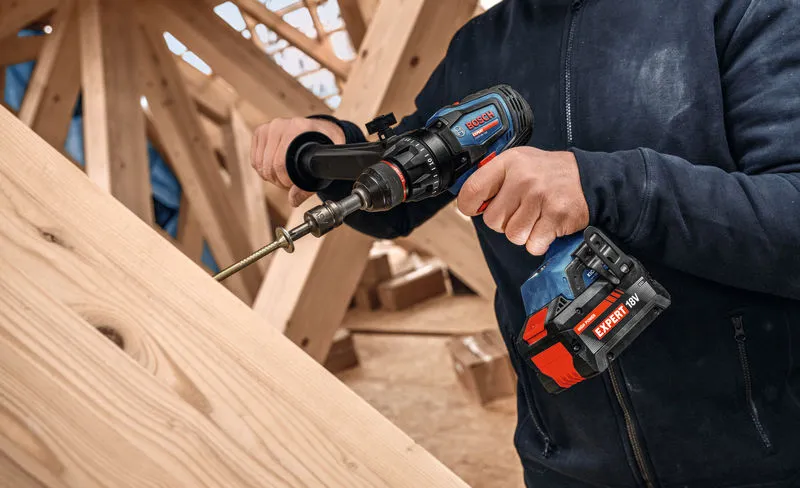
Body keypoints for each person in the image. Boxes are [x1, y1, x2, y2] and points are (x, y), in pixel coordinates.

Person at [251, 0, 800, 486]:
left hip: (760, 457)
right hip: (566, 464)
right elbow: (402, 197)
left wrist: (605, 185)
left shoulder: (737, 8)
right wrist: (331, 153)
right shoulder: (476, 48)